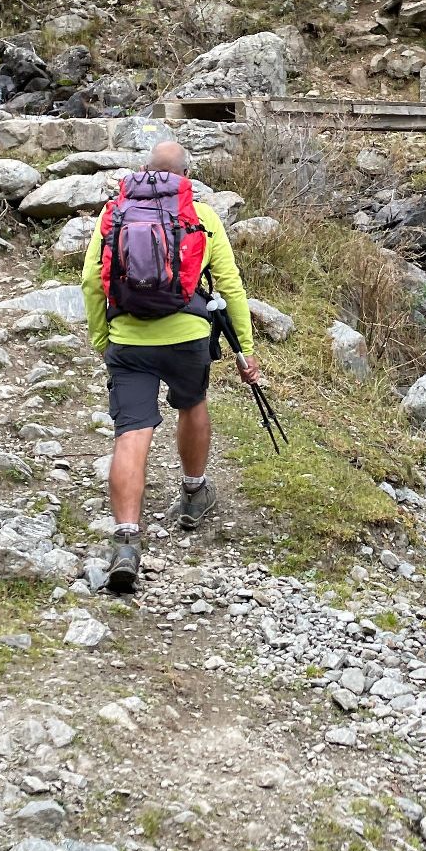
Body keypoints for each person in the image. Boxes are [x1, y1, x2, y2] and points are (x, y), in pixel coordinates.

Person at [82, 140, 256, 593]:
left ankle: (126, 542)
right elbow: (231, 287)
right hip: (188, 336)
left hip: (128, 338)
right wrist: (245, 349)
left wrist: (102, 337)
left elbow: (91, 282)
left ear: (144, 170)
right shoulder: (202, 216)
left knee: (131, 432)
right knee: (192, 403)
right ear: (186, 176)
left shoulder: (113, 214)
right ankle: (194, 493)